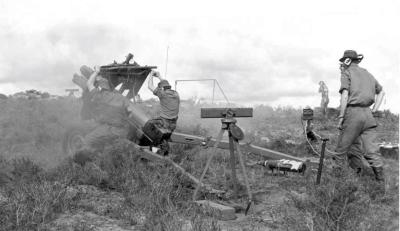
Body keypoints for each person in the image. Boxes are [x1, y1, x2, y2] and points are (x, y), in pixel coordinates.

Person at [73, 66, 138, 185]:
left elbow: (89, 83)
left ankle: (86, 168)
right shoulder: (120, 98)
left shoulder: (98, 96)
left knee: (88, 140)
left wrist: (96, 72)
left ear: (100, 88)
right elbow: (129, 112)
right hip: (123, 130)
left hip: (111, 129)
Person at [335, 50, 385, 181]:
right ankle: (380, 184)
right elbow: (381, 92)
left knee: (341, 150)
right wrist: (374, 110)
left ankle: (337, 183)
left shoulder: (346, 72)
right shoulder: (368, 74)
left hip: (353, 114)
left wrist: (341, 117)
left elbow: (345, 95)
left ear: (347, 61)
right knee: (372, 151)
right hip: (368, 115)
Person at [147, 70, 180, 155]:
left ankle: (152, 154)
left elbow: (150, 86)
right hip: (173, 124)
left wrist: (150, 75)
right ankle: (165, 154)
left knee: (149, 126)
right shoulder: (176, 94)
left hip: (165, 122)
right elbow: (165, 84)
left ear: (162, 89)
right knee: (164, 140)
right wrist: (159, 76)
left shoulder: (162, 94)